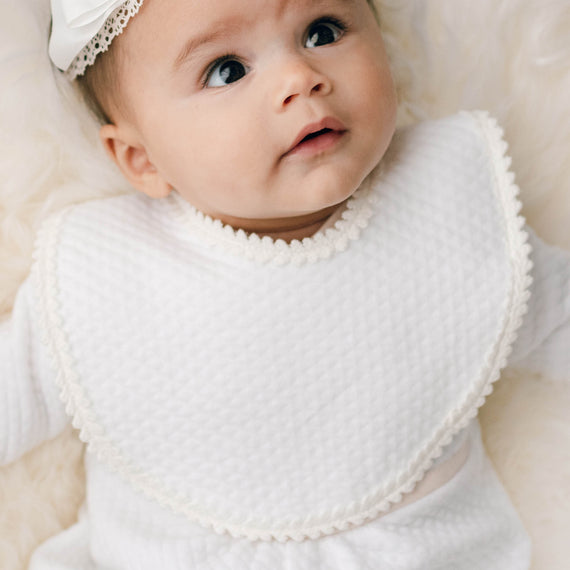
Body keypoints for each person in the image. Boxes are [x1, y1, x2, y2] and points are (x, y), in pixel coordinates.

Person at [1, 0, 569, 568]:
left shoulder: (445, 206)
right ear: (141, 159)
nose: (300, 78)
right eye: (227, 70)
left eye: (322, 31)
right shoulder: (105, 277)